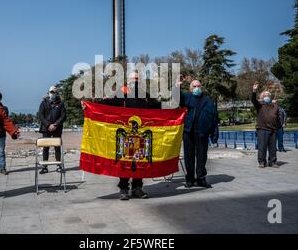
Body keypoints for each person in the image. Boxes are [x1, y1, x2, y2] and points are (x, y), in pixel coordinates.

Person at [89, 72, 161, 200]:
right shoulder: (121, 93)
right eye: (133, 79)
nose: (135, 81)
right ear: (128, 80)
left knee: (139, 163)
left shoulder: (144, 94)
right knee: (125, 164)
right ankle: (123, 189)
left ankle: (137, 188)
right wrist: (93, 103)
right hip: (126, 136)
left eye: (137, 79)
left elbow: (155, 105)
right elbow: (108, 103)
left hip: (140, 136)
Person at [176, 77, 219, 188]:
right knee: (188, 157)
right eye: (194, 86)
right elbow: (176, 97)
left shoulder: (208, 101)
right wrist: (177, 85)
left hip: (202, 132)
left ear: (201, 87)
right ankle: (190, 179)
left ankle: (201, 178)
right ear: (190, 89)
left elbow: (214, 118)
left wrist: (214, 134)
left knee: (202, 156)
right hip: (188, 131)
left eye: (198, 86)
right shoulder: (186, 97)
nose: (196, 88)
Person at [37, 85, 66, 174]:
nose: (52, 94)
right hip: (46, 129)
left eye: (54, 92)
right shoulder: (43, 103)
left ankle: (59, 166)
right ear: (48, 92)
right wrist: (48, 124)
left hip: (57, 129)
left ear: (57, 93)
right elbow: (40, 115)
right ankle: (44, 167)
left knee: (57, 147)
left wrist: (56, 124)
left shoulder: (60, 103)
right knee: (46, 148)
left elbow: (63, 116)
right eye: (51, 92)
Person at [251, 82, 280, 168]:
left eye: (268, 95)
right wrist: (254, 90)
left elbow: (277, 116)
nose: (267, 96)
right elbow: (253, 99)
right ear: (262, 97)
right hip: (262, 129)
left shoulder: (274, 106)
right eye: (265, 95)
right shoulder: (259, 105)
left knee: (273, 148)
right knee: (262, 147)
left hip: (273, 129)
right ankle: (262, 162)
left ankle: (272, 162)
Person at [0, 92, 9, 175]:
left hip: (1, 134)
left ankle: (3, 168)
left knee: (1, 152)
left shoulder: (4, 108)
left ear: (0, 99)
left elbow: (5, 120)